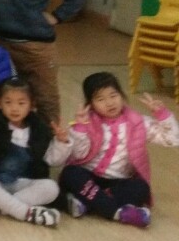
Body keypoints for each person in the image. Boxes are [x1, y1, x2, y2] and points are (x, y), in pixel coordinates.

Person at [59, 72, 179, 228]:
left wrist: (162, 114)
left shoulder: (138, 123)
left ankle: (89, 203)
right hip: (90, 177)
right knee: (70, 173)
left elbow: (172, 139)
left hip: (118, 182)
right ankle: (116, 212)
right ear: (90, 104)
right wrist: (80, 128)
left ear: (122, 95)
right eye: (100, 99)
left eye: (113, 95)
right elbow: (77, 155)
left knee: (141, 188)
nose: (109, 103)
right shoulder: (87, 122)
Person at [0, 77, 69, 227]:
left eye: (21, 103)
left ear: (32, 105)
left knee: (51, 188)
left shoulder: (39, 128)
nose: (15, 108)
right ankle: (26, 212)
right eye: (8, 102)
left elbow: (52, 160)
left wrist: (61, 143)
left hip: (21, 182)